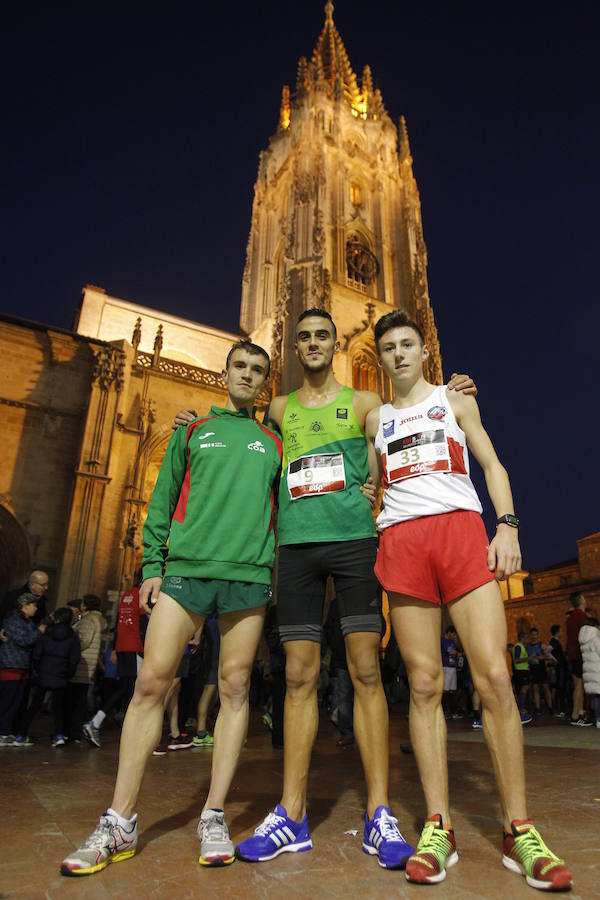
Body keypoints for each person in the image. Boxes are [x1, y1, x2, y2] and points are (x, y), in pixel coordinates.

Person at [174, 308, 474, 869]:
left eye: (322, 336)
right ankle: (292, 814)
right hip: (297, 550)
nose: (313, 343)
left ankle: (379, 814)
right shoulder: (278, 407)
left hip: (356, 545)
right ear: (295, 347)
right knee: (297, 675)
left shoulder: (366, 404)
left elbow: (400, 443)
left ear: (336, 344)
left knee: (365, 671)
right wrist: (192, 425)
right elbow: (250, 446)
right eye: (305, 336)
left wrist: (450, 394)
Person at [364, 309, 571, 890]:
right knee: (424, 683)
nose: (399, 354)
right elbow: (375, 485)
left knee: (496, 680)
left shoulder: (456, 401)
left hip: (459, 532)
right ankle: (439, 825)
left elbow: (492, 464)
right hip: (403, 541)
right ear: (378, 358)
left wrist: (506, 526)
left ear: (423, 353)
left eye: (408, 344)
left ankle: (518, 830)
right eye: (389, 348)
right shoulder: (374, 419)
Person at [61, 340, 282, 875]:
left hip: (247, 577)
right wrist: (152, 568)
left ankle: (213, 813)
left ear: (264, 382)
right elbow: (160, 499)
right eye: (240, 366)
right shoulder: (191, 431)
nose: (248, 375)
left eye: (257, 369)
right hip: (185, 573)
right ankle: (120, 819)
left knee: (234, 689)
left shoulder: (274, 442)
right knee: (149, 686)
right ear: (225, 373)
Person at [83, 585, 147, 749]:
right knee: (135, 691)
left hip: (124, 646)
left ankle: (97, 721)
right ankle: (130, 734)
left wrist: (116, 648)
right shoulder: (143, 593)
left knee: (125, 688)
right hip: (135, 647)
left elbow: (119, 622)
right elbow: (142, 623)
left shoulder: (127, 595)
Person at [18, 607, 81, 747]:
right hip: (61, 676)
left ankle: (21, 734)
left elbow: (37, 654)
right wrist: (68, 674)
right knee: (58, 708)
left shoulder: (46, 634)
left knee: (34, 706)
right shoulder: (73, 637)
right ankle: (58, 735)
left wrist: (39, 669)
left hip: (44, 674)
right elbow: (74, 659)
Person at [0, 594, 44, 744]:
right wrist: (39, 631)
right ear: (25, 606)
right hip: (11, 666)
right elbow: (23, 640)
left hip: (21, 667)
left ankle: (7, 731)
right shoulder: (13, 620)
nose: (36, 608)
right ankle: (2, 732)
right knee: (7, 701)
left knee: (16, 703)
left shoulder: (27, 621)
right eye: (33, 605)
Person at [66, 595, 106, 742]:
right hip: (87, 666)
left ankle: (73, 732)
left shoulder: (89, 620)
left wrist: (70, 645)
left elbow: (83, 641)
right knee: (80, 700)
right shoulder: (96, 619)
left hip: (81, 665)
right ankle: (75, 732)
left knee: (75, 701)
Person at [566, 592, 590, 726]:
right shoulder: (582, 616)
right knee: (579, 685)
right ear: (581, 600)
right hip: (579, 653)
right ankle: (575, 715)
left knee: (578, 684)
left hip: (572, 654)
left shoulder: (570, 618)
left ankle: (580, 712)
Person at [525, 628, 553, 716]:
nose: (534, 636)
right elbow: (527, 658)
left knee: (545, 687)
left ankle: (550, 707)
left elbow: (548, 656)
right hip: (533, 668)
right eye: (532, 635)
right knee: (535, 688)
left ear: (538, 635)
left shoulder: (542, 645)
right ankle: (537, 708)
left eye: (535, 634)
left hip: (541, 668)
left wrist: (542, 657)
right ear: (530, 635)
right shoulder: (528, 646)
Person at [578, 616, 600, 727]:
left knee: (596, 697)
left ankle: (598, 720)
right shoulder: (596, 638)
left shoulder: (583, 640)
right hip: (598, 670)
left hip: (590, 672)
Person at [511, 632, 533, 724]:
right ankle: (521, 708)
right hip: (521, 671)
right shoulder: (518, 646)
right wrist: (528, 659)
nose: (528, 639)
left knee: (523, 689)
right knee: (523, 689)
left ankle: (521, 708)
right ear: (522, 638)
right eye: (526, 637)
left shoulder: (522, 647)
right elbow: (516, 660)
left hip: (523, 671)